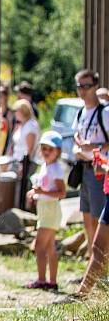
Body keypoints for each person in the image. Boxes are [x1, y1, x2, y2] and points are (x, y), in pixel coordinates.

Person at [71, 70, 109, 279]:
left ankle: (101, 272)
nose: (82, 91)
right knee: (87, 219)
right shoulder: (80, 113)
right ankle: (91, 268)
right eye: (79, 86)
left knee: (99, 220)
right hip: (83, 168)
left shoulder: (105, 112)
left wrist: (92, 146)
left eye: (86, 86)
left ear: (95, 86)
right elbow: (76, 138)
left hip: (100, 171)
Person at [24, 131, 65, 290]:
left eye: (51, 149)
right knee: (49, 247)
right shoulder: (45, 166)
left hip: (50, 209)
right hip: (45, 209)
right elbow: (43, 188)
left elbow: (61, 193)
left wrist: (41, 193)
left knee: (39, 246)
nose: (46, 152)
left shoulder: (56, 169)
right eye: (44, 148)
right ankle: (52, 282)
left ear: (58, 152)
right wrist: (35, 193)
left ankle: (42, 280)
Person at [11, 99, 40, 207]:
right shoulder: (23, 124)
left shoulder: (31, 126)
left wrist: (24, 166)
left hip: (26, 163)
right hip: (17, 160)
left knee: (23, 188)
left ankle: (24, 210)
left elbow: (30, 149)